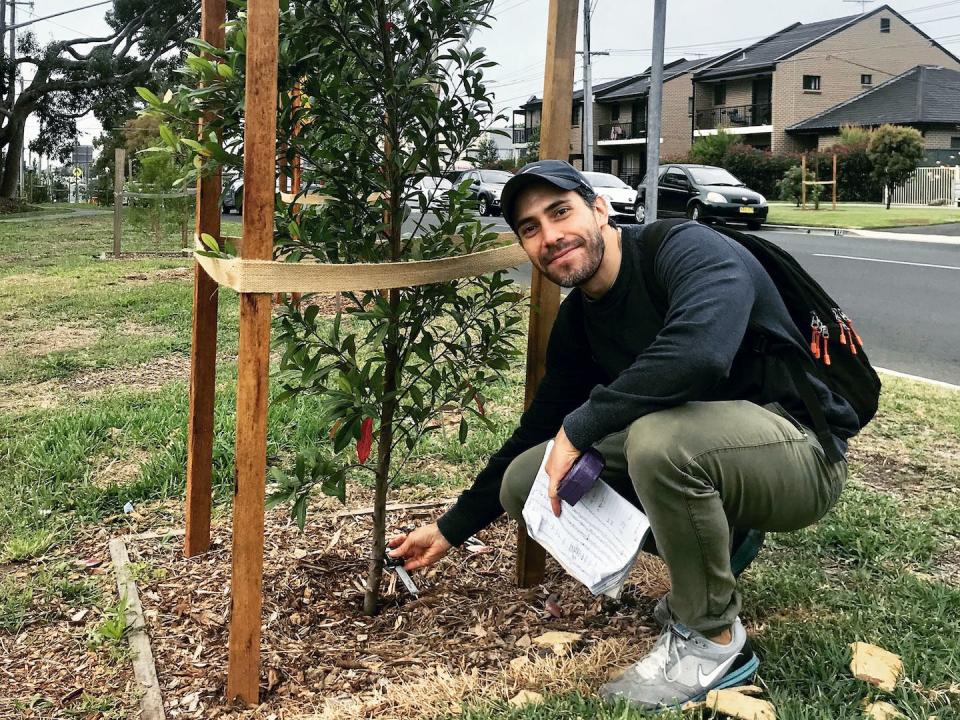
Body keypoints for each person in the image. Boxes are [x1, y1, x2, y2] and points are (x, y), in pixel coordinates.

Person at [387, 160, 856, 710]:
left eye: (560, 212)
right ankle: (719, 543)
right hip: (700, 453)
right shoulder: (580, 321)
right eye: (530, 228)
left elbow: (698, 354)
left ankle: (714, 641)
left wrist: (579, 429)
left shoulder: (687, 249)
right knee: (528, 479)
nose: (550, 236)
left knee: (658, 441)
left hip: (800, 449)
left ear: (601, 209)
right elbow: (535, 435)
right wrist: (449, 530)